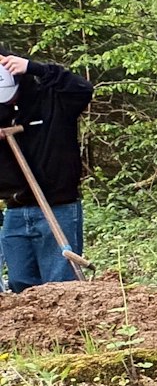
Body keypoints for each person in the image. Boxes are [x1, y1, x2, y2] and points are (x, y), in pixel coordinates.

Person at [0, 52, 93, 291]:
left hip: (57, 206)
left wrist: (36, 68)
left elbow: (82, 89)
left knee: (60, 286)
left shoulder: (54, 101)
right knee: (21, 284)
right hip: (16, 210)